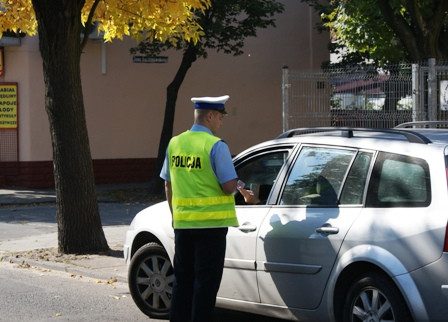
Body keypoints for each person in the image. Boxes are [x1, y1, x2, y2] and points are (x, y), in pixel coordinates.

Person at [160, 95, 239, 322]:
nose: (222, 122)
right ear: (211, 116)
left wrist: (176, 217)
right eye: (221, 118)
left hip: (183, 226)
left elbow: (168, 184)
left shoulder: (175, 143)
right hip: (211, 228)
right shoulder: (216, 145)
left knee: (182, 283)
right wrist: (240, 186)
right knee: (205, 286)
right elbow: (227, 187)